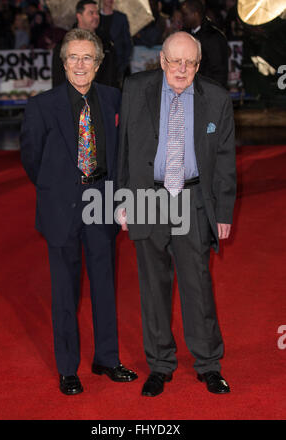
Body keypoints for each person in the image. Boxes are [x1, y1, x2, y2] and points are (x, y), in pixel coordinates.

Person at [118, 31, 236, 397]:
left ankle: (208, 365)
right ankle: (161, 365)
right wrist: (122, 201)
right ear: (162, 60)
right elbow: (124, 150)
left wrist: (224, 209)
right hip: (148, 199)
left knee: (197, 284)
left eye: (190, 63)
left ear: (198, 65)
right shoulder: (136, 89)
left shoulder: (216, 98)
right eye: (175, 61)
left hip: (193, 200)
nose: (182, 69)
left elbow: (225, 160)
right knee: (153, 286)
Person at [21, 28, 137, 395]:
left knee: (105, 286)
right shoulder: (42, 105)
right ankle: (68, 368)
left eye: (88, 57)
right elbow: (31, 158)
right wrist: (59, 189)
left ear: (99, 64)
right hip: (62, 209)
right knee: (64, 293)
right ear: (63, 62)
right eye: (74, 57)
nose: (81, 64)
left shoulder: (114, 99)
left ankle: (106, 358)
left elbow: (123, 152)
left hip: (101, 203)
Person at [52, 0, 118, 88]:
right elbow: (58, 77)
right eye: (91, 13)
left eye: (97, 13)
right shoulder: (65, 44)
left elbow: (112, 75)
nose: (96, 16)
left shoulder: (106, 43)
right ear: (79, 16)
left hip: (103, 97)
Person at [181, 0, 229, 88]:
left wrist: (215, 93)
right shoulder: (184, 34)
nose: (182, 19)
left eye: (185, 15)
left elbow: (219, 71)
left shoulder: (213, 36)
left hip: (207, 90)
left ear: (195, 14)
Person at [98, 0, 132, 84]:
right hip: (99, 64)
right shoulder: (95, 16)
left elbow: (128, 43)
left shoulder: (121, 17)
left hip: (116, 63)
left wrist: (123, 65)